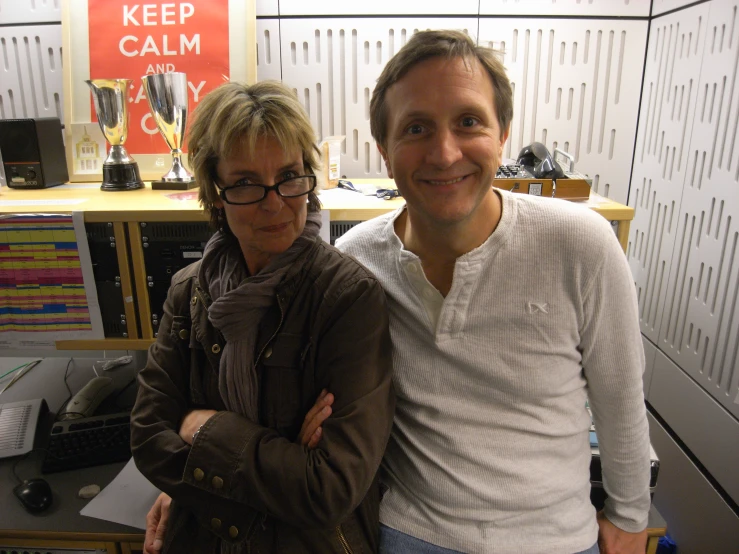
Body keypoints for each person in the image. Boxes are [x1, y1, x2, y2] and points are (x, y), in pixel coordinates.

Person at [308, 29, 652, 554]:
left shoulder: (580, 243)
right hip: (408, 532)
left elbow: (621, 397)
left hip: (554, 537)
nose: (444, 154)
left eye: (468, 122)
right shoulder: (357, 258)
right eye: (416, 128)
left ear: (503, 133)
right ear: (384, 149)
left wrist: (628, 516)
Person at [130, 80, 395, 554]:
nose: (275, 202)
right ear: (216, 193)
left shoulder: (348, 298)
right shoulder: (189, 291)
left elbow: (328, 490)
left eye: (290, 175)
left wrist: (205, 428)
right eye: (247, 182)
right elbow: (149, 437)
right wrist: (279, 459)